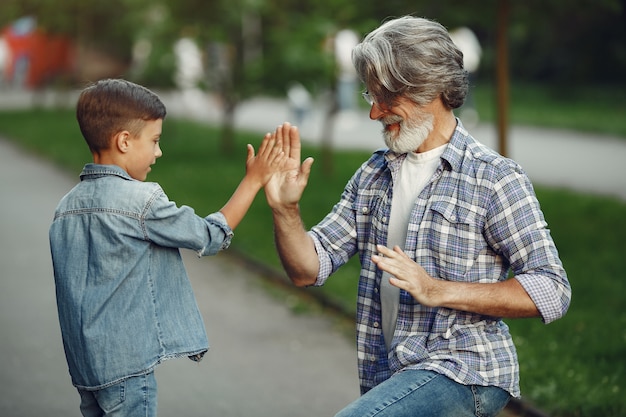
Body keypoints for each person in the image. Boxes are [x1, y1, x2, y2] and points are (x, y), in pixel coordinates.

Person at [265, 16, 571, 417]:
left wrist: (436, 289)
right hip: (392, 373)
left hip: (467, 369)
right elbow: (307, 269)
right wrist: (286, 210)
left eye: (386, 98)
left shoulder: (493, 177)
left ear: (431, 89)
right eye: (370, 96)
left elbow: (551, 288)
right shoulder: (373, 175)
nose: (375, 113)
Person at [49, 78, 286, 417]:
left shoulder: (65, 208)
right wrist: (253, 181)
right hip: (127, 370)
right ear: (124, 141)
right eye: (155, 141)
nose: (159, 152)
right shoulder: (141, 202)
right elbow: (208, 235)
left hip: (86, 369)